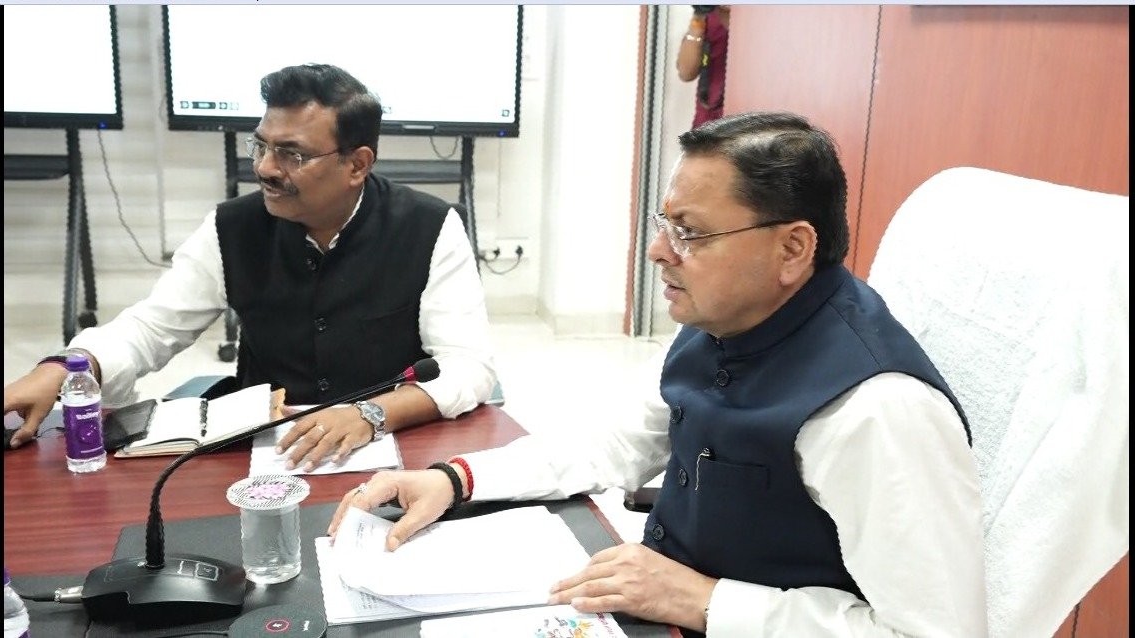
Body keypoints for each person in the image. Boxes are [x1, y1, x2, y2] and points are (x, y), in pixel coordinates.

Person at [328, 112, 988, 636]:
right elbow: (617, 443)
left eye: (690, 234)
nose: (656, 251)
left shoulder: (877, 410)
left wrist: (705, 600)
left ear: (792, 248)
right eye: (664, 224)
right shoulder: (722, 318)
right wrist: (455, 478)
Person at [3, 64, 497, 472]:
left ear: (357, 165)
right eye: (261, 146)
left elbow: (468, 366)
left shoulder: (430, 227)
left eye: (292, 154)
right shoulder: (231, 228)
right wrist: (67, 367)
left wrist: (372, 414)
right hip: (268, 457)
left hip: (397, 449)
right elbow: (150, 328)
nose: (264, 168)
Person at [677, 5, 730, 129]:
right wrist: (699, 15)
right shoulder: (709, 14)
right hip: (708, 124)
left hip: (745, 121)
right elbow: (686, 73)